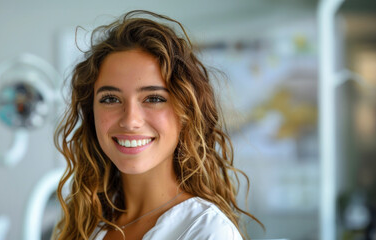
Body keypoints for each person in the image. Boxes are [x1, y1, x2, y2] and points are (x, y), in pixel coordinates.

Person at [52, 10, 261, 240]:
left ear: (186, 113)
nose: (130, 121)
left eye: (154, 98)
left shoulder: (207, 231)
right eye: (111, 99)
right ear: (91, 113)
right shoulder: (87, 225)